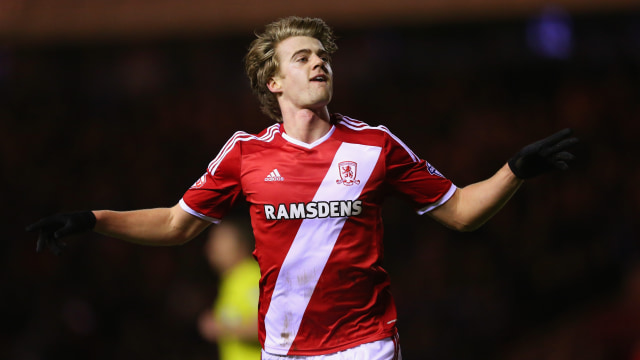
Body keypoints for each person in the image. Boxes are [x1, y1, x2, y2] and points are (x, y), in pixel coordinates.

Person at [27, 16, 578, 360]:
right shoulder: (244, 152)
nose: (319, 62)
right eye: (304, 57)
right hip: (284, 350)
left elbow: (459, 212)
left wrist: (514, 171)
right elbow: (176, 225)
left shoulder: (376, 145)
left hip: (366, 345)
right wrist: (92, 219)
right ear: (274, 82)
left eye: (323, 56)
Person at [197, 216, 261, 360]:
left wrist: (220, 327)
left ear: (241, 244)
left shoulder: (251, 277)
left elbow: (268, 326)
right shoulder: (231, 280)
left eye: (220, 240)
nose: (211, 247)